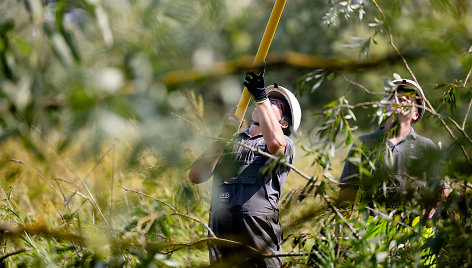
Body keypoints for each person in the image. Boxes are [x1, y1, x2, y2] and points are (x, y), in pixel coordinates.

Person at [188, 69, 301, 267]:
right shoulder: (229, 141)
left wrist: (260, 96)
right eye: (265, 99)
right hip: (221, 233)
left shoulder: (285, 144)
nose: (266, 102)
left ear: (283, 123)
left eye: (274, 103)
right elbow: (196, 175)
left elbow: (276, 145)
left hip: (259, 235)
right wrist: (222, 137)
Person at [337, 78, 449, 212]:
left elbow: (442, 189)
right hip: (371, 229)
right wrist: (339, 229)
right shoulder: (364, 144)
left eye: (410, 98)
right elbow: (347, 193)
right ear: (386, 107)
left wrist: (431, 211)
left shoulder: (426, 147)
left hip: (414, 229)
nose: (402, 99)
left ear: (415, 114)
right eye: (396, 96)